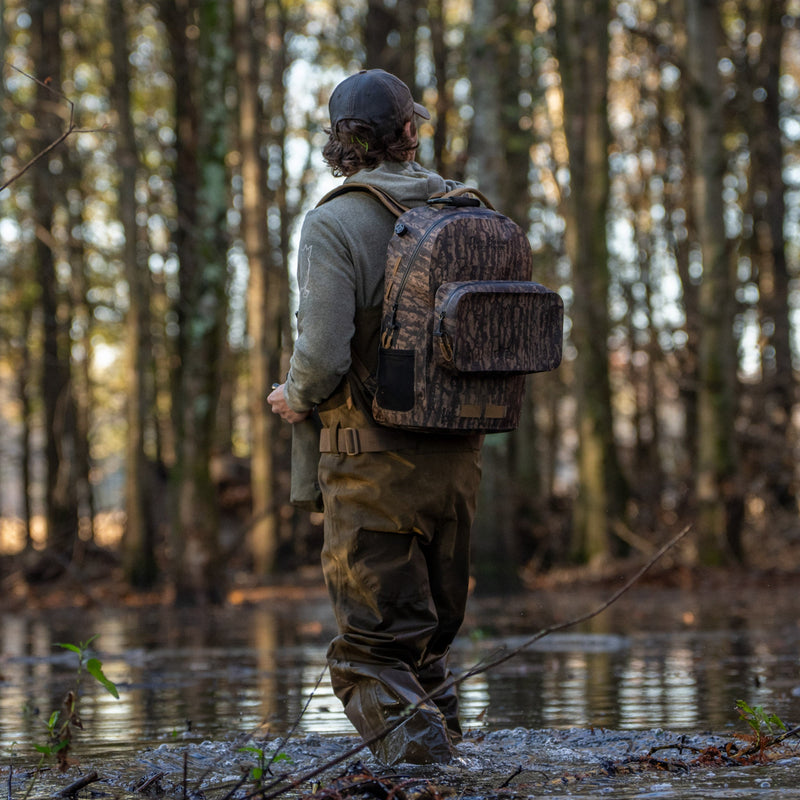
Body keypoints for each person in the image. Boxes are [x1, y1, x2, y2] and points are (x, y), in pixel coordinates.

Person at [268, 69, 482, 765]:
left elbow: (323, 353)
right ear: (410, 134)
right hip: (457, 466)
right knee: (423, 655)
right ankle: (456, 773)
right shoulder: (469, 211)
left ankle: (426, 778)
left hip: (371, 471)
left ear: (340, 145)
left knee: (371, 654)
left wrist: (295, 397)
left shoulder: (333, 222)